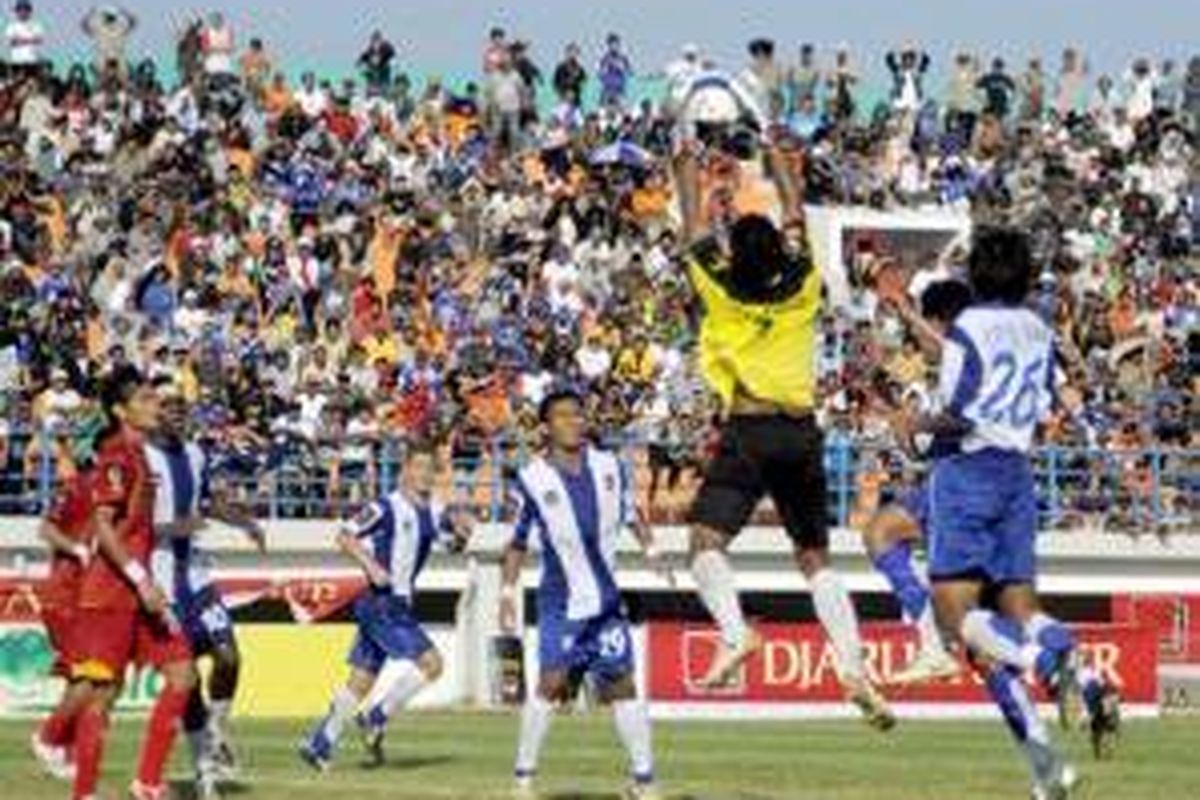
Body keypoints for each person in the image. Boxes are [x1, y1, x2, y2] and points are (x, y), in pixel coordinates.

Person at [670, 134, 894, 728]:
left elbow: (693, 224)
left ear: (732, 253)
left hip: (750, 429)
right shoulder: (803, 282)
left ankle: (736, 632)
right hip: (802, 434)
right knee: (816, 556)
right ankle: (852, 666)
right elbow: (795, 215)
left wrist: (684, 166)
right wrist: (781, 164)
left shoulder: (720, 288)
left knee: (704, 544)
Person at [919, 228, 1120, 799]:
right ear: (1027, 276)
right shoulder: (1039, 329)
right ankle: (1082, 676)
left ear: (976, 276)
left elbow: (959, 416)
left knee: (955, 616)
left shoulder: (966, 329)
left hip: (968, 472)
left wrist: (914, 426)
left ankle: (1045, 666)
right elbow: (1060, 394)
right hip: (1018, 476)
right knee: (1020, 604)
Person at [500, 387, 667, 800]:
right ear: (546, 426)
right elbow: (517, 543)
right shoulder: (531, 480)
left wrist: (652, 549)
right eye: (562, 416)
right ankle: (523, 779)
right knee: (552, 683)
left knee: (623, 685)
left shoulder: (610, 465)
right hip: (562, 601)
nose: (573, 421)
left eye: (578, 414)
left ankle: (643, 783)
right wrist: (507, 592)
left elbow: (632, 512)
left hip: (607, 602)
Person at [299, 440, 472, 771]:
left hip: (395, 604)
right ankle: (376, 717)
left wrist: (463, 535)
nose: (424, 475)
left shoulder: (433, 510)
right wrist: (371, 565)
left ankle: (319, 745)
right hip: (382, 602)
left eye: (429, 469)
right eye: (418, 467)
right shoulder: (385, 506)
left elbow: (452, 546)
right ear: (405, 470)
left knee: (361, 680)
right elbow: (345, 536)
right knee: (432, 664)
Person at [67, 365, 197, 800]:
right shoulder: (117, 456)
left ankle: (146, 782)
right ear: (121, 411)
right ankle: (84, 794)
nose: (154, 403)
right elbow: (103, 527)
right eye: (143, 398)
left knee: (182, 674)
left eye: (152, 396)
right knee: (103, 694)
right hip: (112, 592)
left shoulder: (140, 454)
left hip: (141, 592)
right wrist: (142, 578)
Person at [143, 383, 265, 798]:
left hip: (196, 574)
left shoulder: (196, 453)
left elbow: (207, 503)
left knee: (230, 656)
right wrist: (173, 528)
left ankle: (216, 729)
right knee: (188, 677)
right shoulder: (141, 458)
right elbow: (129, 526)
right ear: (153, 411)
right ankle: (203, 771)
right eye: (168, 405)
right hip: (162, 580)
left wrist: (244, 522)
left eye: (182, 405)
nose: (177, 411)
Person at [29, 442, 96, 782]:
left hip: (88, 599)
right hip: (65, 596)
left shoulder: (115, 498)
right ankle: (48, 737)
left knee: (81, 678)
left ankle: (67, 755)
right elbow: (46, 529)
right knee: (90, 675)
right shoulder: (76, 490)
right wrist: (78, 549)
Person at [80, 5, 137, 81]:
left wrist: (124, 12)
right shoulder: (98, 27)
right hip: (103, 58)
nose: (109, 18)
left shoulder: (120, 27)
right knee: (100, 80)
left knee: (124, 79)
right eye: (107, 16)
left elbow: (133, 23)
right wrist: (90, 14)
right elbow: (84, 26)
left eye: (111, 16)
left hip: (118, 57)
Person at [5, 0, 44, 75]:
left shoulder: (36, 26)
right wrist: (30, 39)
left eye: (25, 10)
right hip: (16, 62)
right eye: (20, 10)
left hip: (32, 61)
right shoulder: (12, 27)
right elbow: (12, 41)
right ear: (16, 12)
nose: (23, 13)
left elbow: (39, 40)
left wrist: (21, 40)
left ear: (29, 12)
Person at [598, 33, 632, 108]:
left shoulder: (623, 59)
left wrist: (620, 68)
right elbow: (600, 74)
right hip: (607, 90)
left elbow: (629, 72)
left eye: (616, 44)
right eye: (611, 44)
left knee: (623, 111)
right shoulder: (605, 59)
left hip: (620, 90)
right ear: (608, 46)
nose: (614, 46)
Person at [358, 30, 396, 96]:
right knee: (372, 81)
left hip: (383, 68)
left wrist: (382, 58)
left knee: (384, 83)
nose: (374, 41)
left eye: (376, 38)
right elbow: (366, 55)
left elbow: (392, 53)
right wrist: (360, 61)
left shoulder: (385, 45)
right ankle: (371, 92)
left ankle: (384, 92)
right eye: (373, 39)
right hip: (374, 69)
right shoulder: (371, 47)